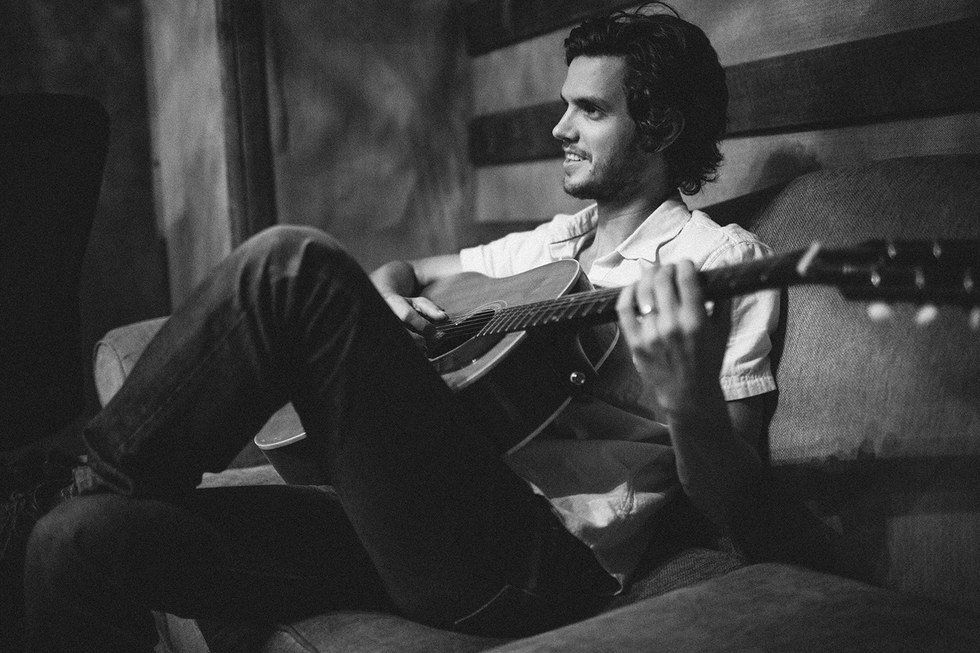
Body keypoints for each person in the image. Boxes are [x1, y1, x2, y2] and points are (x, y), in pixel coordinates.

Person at [24, 4, 778, 651]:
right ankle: (70, 497)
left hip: (533, 558)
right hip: (408, 520)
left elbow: (739, 504)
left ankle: (70, 474)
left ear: (660, 127)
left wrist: (686, 398)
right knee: (78, 540)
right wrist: (388, 303)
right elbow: (403, 271)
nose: (560, 127)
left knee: (290, 266)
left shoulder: (719, 260)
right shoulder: (551, 244)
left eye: (591, 110)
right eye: (564, 105)